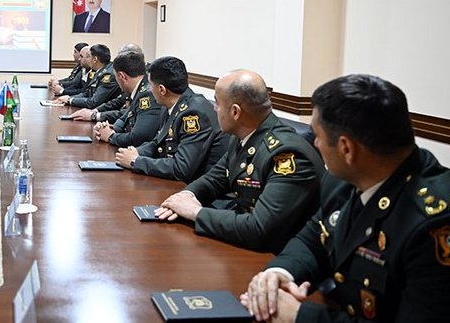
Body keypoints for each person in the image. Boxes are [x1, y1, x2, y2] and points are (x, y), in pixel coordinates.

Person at [242, 74, 450, 322]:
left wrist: (300, 316)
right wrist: (280, 273)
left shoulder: (432, 223)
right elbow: (312, 239)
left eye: (316, 135)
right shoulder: (341, 180)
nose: (315, 143)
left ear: (346, 149)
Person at [155, 69, 324, 253]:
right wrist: (186, 196)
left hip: (273, 257)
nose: (214, 108)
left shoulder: (287, 155)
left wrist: (196, 213)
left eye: (217, 103)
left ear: (235, 112)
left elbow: (259, 229)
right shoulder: (243, 135)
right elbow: (214, 179)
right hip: (241, 241)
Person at [114, 56, 227, 181]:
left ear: (162, 90)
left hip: (199, 190)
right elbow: (158, 142)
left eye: (151, 85)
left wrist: (136, 161)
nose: (150, 90)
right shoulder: (171, 106)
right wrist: (136, 151)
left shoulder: (194, 114)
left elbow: (182, 168)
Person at [93, 51, 165, 147]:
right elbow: (125, 117)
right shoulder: (138, 88)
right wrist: (112, 128)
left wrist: (111, 136)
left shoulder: (147, 94)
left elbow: (138, 138)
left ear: (122, 76)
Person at [57, 44, 121, 109]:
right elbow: (87, 93)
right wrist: (69, 98)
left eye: (88, 57)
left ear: (95, 59)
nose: (86, 60)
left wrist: (70, 100)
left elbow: (94, 102)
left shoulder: (108, 75)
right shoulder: (97, 71)